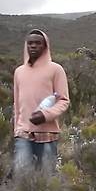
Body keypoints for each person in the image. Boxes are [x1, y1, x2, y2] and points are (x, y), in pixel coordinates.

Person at [13, 29, 70, 174]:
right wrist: (17, 128)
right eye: (30, 43)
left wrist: (45, 115)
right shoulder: (19, 72)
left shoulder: (56, 70)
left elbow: (63, 100)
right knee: (22, 174)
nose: (33, 46)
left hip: (47, 133)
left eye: (38, 43)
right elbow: (17, 104)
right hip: (23, 133)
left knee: (46, 177)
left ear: (45, 46)